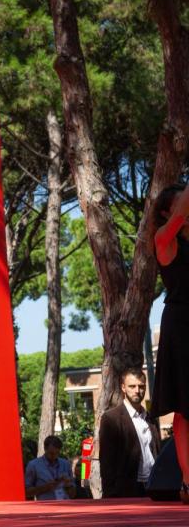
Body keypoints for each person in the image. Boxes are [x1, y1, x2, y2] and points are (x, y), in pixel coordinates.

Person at [151, 183, 189, 503]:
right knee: (184, 407)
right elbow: (180, 215)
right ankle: (188, 480)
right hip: (181, 326)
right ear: (167, 211)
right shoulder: (164, 239)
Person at [100, 369, 160, 497]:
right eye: (132, 386)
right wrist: (111, 494)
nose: (137, 390)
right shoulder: (111, 418)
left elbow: (156, 451)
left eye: (141, 386)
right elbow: (106, 461)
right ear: (123, 387)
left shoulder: (151, 419)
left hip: (154, 485)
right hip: (126, 489)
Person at [24, 435, 75, 500]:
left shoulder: (65, 464)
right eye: (51, 453)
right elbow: (26, 492)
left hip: (65, 505)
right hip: (46, 507)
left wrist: (68, 486)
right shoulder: (33, 465)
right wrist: (45, 488)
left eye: (57, 453)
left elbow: (73, 494)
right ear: (45, 449)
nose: (54, 456)